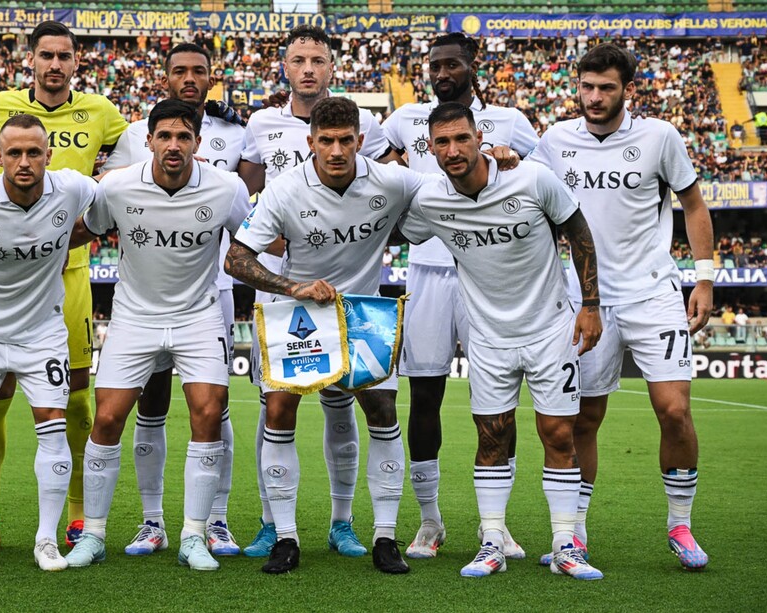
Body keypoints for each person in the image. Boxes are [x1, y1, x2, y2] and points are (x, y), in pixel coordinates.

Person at [399, 101, 605, 580]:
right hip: (488, 337)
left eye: (461, 138)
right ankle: (491, 540)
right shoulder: (430, 201)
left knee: (558, 434)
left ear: (478, 137)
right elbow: (395, 225)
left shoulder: (532, 179)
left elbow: (579, 233)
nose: (453, 150)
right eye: (442, 142)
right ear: (430, 148)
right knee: (490, 437)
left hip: (551, 329)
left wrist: (590, 306)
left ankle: (565, 544)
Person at [529, 43, 714, 570]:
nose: (594, 97)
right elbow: (528, 195)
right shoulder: (556, 141)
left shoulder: (659, 136)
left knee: (674, 411)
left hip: (654, 291)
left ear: (626, 90)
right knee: (584, 419)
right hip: (584, 298)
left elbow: (694, 205)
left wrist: (705, 280)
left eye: (606, 88)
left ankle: (680, 524)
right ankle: (576, 535)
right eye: (586, 87)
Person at [226, 96, 422, 575]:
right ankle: (286, 537)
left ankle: (383, 537)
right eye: (326, 141)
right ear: (310, 142)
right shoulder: (286, 189)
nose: (336, 151)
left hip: (362, 314)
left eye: (346, 141)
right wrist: (292, 286)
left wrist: (501, 160)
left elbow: (449, 191)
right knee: (279, 408)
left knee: (381, 409)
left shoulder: (392, 181)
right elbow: (237, 257)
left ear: (360, 141)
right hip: (299, 311)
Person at [64, 100, 250, 571]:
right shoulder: (118, 186)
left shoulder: (227, 188)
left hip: (198, 316)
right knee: (106, 420)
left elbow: (256, 239)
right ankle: (95, 535)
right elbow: (87, 230)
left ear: (197, 143)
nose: (173, 145)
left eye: (182, 137)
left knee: (208, 413)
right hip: (134, 317)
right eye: (164, 136)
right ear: (147, 141)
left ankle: (192, 535)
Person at [0, 20, 128, 548]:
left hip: (70, 276)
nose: (55, 64)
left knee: (76, 401)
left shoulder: (101, 112)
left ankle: (77, 516)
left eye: (64, 56)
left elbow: (126, 171)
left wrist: (80, 230)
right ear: (30, 60)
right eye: (46, 55)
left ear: (76, 62)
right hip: (3, 278)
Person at [381, 32, 539, 560]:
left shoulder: (510, 121)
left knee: (497, 405)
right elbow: (376, 175)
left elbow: (541, 179)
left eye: (452, 64)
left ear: (473, 65)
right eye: (434, 65)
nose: (441, 72)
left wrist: (509, 161)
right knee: (424, 397)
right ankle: (429, 522)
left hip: (489, 275)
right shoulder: (406, 119)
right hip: (426, 272)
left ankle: (497, 525)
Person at [102, 42, 246, 557]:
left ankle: (216, 521)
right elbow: (99, 207)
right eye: (179, 70)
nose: (189, 77)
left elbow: (256, 224)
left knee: (215, 410)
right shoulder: (128, 150)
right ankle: (152, 521)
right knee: (151, 406)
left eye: (198, 71)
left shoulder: (237, 131)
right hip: (145, 298)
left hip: (213, 289)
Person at [0, 114, 98, 571]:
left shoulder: (71, 189)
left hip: (42, 332)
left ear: (49, 155)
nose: (24, 161)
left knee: (53, 427)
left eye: (34, 152)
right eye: (14, 153)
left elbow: (112, 203)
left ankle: (46, 541)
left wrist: (62, 239)